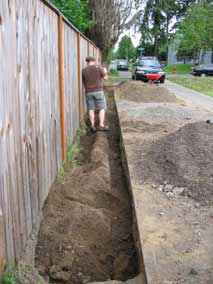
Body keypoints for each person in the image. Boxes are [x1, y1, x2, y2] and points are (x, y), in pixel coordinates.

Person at [82, 56, 108, 133]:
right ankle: (101, 125)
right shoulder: (99, 68)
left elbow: (84, 82)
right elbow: (105, 78)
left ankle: (92, 126)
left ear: (87, 62)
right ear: (94, 60)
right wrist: (105, 71)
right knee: (102, 108)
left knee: (91, 109)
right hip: (98, 91)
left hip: (88, 92)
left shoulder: (83, 70)